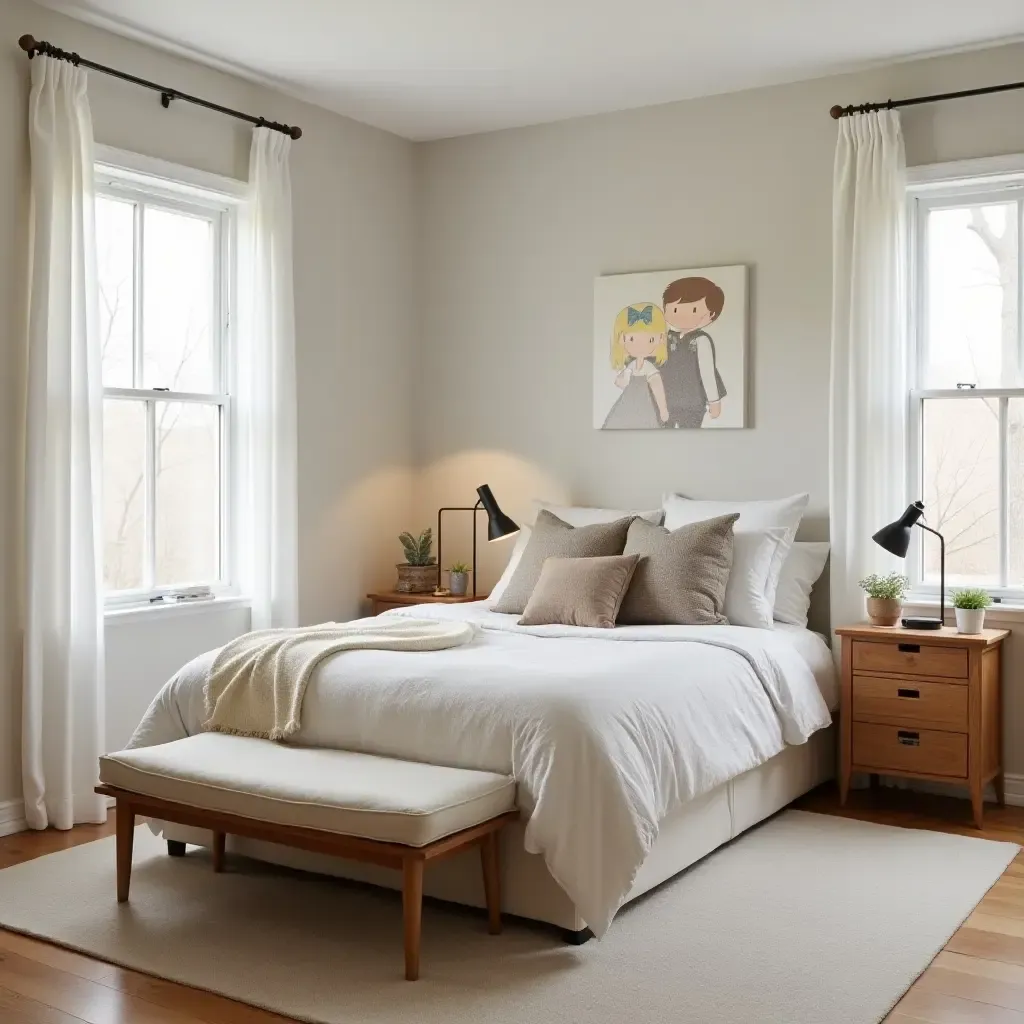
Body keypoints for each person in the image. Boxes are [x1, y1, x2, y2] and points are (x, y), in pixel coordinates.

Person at [660, 276, 727, 428]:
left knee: (690, 434)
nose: (683, 316)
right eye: (675, 309)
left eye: (694, 310)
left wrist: (714, 401)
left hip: (692, 401)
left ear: (711, 314)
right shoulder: (665, 337)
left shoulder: (701, 340)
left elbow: (707, 373)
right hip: (666, 400)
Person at [601, 302, 669, 430]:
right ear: (622, 339)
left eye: (650, 340)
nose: (640, 346)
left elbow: (657, 385)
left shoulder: (649, 368)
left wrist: (663, 409)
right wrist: (625, 375)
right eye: (632, 339)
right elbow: (620, 383)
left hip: (645, 405)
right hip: (627, 405)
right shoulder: (631, 365)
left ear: (661, 339)